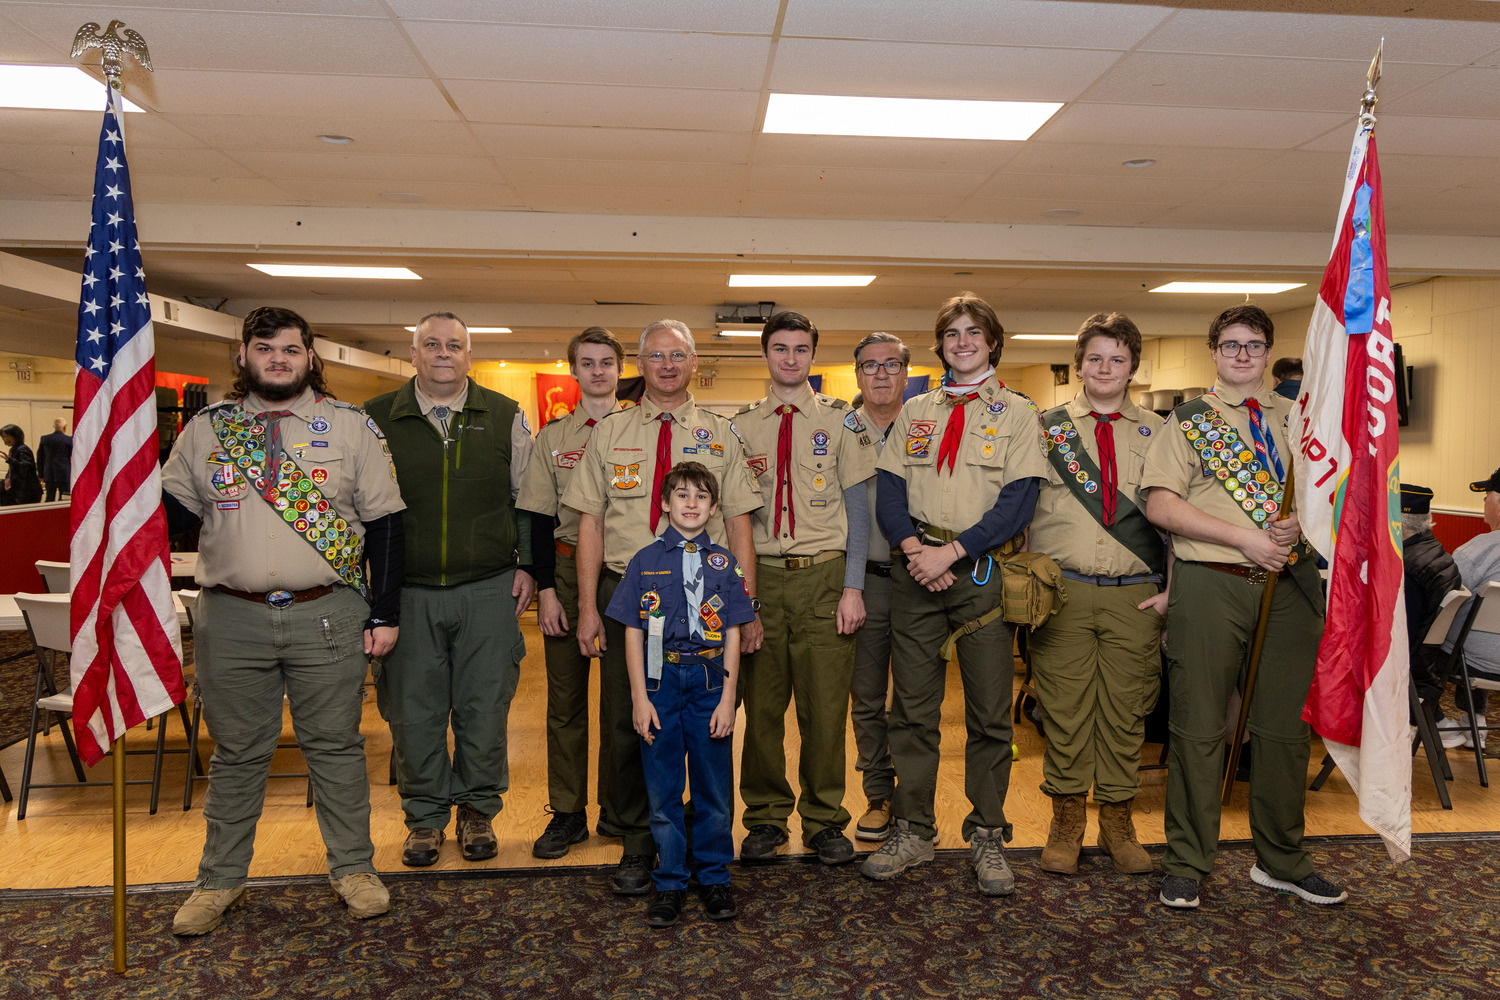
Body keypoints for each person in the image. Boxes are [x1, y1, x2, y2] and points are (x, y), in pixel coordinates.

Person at [163, 306, 405, 934]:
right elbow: (169, 520)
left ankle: (354, 869)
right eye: (265, 348)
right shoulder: (206, 431)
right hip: (230, 616)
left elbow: (384, 524)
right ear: (243, 356)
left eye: (291, 350)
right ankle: (218, 881)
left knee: (336, 748)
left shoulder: (351, 428)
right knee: (238, 753)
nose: (278, 359)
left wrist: (385, 611)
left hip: (326, 611)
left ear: (309, 357)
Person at [1142, 303, 1344, 910]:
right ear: (1214, 352)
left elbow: (1333, 493)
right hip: (1212, 580)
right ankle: (1187, 862)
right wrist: (1247, 537)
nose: (1242, 355)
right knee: (1199, 727)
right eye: (1230, 345)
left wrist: (1299, 529)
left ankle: (1282, 860)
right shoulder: (1188, 421)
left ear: (1267, 350)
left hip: (1291, 584)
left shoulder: (1305, 420)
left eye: (1253, 345)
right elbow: (1160, 505)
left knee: (1284, 731)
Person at [562, 319, 761, 895]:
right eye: (655, 356)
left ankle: (703, 846)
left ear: (694, 361)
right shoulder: (609, 430)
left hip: (707, 597)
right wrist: (588, 607)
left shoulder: (723, 433)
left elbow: (740, 524)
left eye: (678, 355)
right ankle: (635, 840)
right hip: (631, 592)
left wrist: (747, 606)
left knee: (706, 729)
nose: (667, 365)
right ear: (640, 365)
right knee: (633, 726)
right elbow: (590, 523)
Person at [863, 292, 1049, 896]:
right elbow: (889, 487)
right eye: (952, 333)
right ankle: (915, 829)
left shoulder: (1018, 413)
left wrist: (954, 551)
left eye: (974, 332)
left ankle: (989, 831)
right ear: (941, 344)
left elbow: (1019, 499)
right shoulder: (916, 410)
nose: (963, 341)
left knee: (990, 715)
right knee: (911, 712)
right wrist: (917, 549)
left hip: (980, 576)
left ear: (993, 342)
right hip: (917, 573)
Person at [364, 311, 535, 867]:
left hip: (486, 589)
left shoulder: (505, 415)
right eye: (431, 344)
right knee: (413, 712)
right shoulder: (375, 419)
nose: (443, 353)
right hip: (405, 593)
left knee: (483, 709)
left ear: (469, 356)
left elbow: (530, 502)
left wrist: (528, 567)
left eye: (454, 346)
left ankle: (478, 810)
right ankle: (425, 818)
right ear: (412, 354)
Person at [733, 311, 877, 865]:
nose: (790, 358)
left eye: (800, 349)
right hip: (763, 576)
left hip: (824, 577)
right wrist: (742, 598)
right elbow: (732, 517)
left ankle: (824, 819)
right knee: (762, 710)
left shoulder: (844, 421)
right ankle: (766, 818)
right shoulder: (742, 427)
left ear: (813, 355)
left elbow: (859, 513)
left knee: (823, 710)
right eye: (779, 349)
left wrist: (853, 587)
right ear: (765, 356)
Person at [1029, 313, 1167, 877]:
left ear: (1133, 365)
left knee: (1126, 712)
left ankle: (1118, 823)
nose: (1105, 368)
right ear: (1079, 364)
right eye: (1095, 358)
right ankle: (1066, 823)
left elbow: (1181, 517)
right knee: (1063, 712)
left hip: (1136, 596)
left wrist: (1173, 591)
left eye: (1117, 358)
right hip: (1064, 593)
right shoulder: (1044, 428)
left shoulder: (1163, 431)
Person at [605, 462, 754, 926]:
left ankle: (713, 877)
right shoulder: (645, 560)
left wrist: (728, 699)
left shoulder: (724, 563)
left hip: (710, 682)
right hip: (660, 682)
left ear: (713, 507)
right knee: (664, 786)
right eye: (682, 495)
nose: (691, 504)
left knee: (713, 787)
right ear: (665, 503)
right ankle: (669, 880)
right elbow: (631, 632)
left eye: (701, 496)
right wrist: (639, 698)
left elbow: (732, 631)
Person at [517, 326, 627, 858]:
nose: (599, 371)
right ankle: (566, 812)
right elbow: (536, 518)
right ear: (575, 371)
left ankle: (617, 807)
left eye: (607, 362)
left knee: (623, 703)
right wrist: (546, 591)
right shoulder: (553, 438)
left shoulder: (640, 431)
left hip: (625, 580)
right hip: (564, 575)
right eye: (588, 362)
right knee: (564, 703)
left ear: (621, 368)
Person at [846, 332, 910, 842]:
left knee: (914, 698)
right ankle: (878, 796)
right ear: (858, 375)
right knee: (866, 697)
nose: (881, 374)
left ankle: (913, 801)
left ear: (906, 373)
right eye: (870, 366)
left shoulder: (927, 426)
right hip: (863, 581)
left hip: (921, 580)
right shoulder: (839, 429)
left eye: (891, 365)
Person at [1437, 468, 1500, 749]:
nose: (1483, 504)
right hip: (1485, 657)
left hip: (1474, 661)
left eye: (1486, 497)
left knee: (1414, 637)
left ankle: (1434, 721)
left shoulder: (1479, 550)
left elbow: (1443, 594)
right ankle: (1476, 724)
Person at [1400, 484, 1463, 710]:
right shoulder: (1436, 552)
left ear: (1398, 522)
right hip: (1430, 662)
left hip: (1408, 670)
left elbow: (1400, 636)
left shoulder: (1408, 568)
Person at [1, 424, 42, 506]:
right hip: (20, 491)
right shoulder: (14, 449)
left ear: (16, 436)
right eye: (3, 437)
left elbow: (27, 467)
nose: (5, 439)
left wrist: (10, 460)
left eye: (8, 436)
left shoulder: (22, 449)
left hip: (27, 492)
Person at [37, 419, 73, 502]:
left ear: (54, 426)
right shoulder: (69, 440)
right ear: (65, 427)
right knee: (64, 497)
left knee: (49, 497)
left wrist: (40, 475)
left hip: (49, 472)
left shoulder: (44, 439)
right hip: (64, 472)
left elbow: (40, 458)